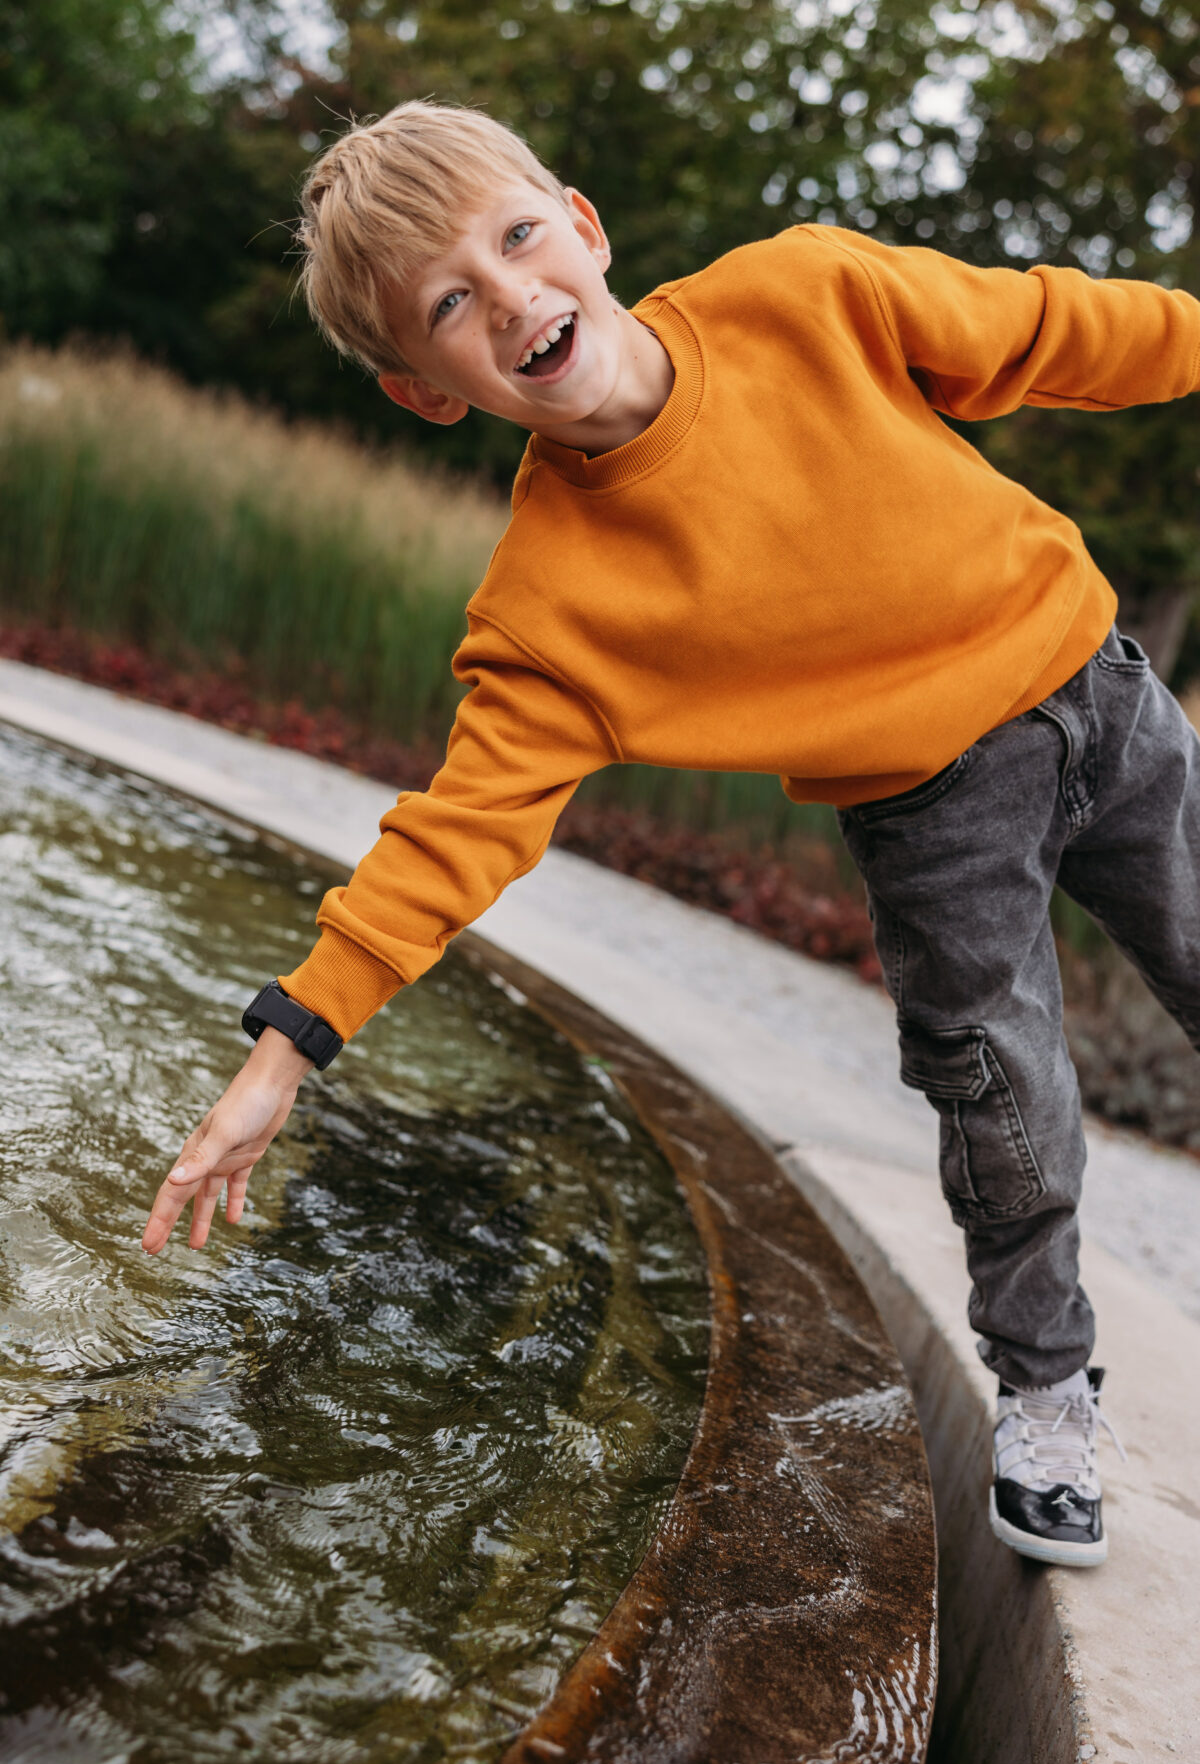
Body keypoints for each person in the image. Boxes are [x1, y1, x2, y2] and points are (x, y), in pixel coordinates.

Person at [142, 101, 1200, 1568]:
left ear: (582, 221)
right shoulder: (551, 613)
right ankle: (1045, 1387)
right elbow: (450, 839)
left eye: (516, 240)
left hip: (1104, 692)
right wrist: (285, 1053)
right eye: (452, 304)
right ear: (425, 390)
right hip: (931, 811)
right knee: (1004, 1103)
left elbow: (1047, 328)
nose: (510, 297)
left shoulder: (801, 293)